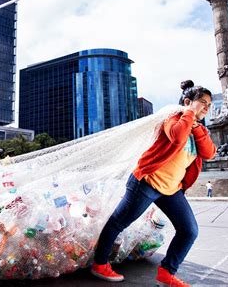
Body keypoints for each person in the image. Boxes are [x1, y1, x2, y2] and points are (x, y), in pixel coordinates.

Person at [90, 80, 216, 286]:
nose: (206, 107)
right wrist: (189, 114)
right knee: (119, 222)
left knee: (189, 230)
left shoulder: (198, 130)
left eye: (208, 104)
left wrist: (197, 127)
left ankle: (167, 272)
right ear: (187, 101)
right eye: (202, 102)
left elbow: (209, 153)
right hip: (147, 182)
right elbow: (176, 137)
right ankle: (100, 264)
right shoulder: (171, 118)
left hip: (171, 189)